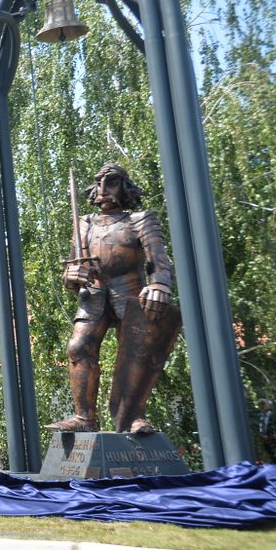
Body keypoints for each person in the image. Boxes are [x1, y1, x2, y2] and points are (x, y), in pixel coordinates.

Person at [49, 164, 182, 434]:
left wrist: (159, 283)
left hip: (131, 293)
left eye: (111, 183)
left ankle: (133, 417)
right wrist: (71, 276)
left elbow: (160, 262)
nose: (103, 190)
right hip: (94, 295)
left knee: (137, 354)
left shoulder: (140, 220)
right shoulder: (84, 223)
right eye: (99, 183)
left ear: (124, 187)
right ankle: (85, 417)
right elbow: (73, 272)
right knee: (78, 347)